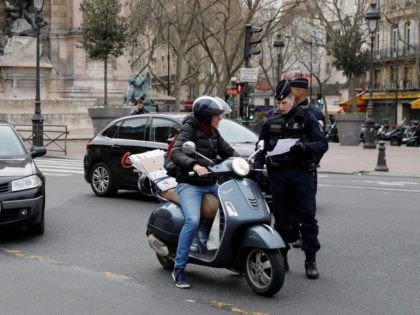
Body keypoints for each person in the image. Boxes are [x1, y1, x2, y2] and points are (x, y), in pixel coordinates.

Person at [254, 79, 328, 279]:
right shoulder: (271, 121)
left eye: (284, 103)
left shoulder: (308, 119)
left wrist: (305, 148)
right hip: (279, 176)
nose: (280, 107)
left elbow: (322, 144)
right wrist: (257, 168)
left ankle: (310, 259)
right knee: (282, 221)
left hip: (302, 174)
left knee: (308, 218)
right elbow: (260, 147)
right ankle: (282, 257)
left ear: (292, 99)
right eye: (278, 104)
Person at [169, 96, 239, 288]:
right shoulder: (189, 128)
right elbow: (176, 152)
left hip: (211, 182)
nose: (220, 119)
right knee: (192, 220)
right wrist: (194, 164)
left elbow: (228, 151)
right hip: (190, 184)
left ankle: (230, 256)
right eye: (217, 116)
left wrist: (242, 161)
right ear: (206, 116)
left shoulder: (213, 132)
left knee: (234, 212)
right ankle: (179, 269)